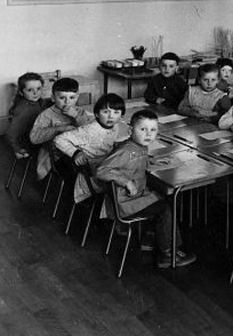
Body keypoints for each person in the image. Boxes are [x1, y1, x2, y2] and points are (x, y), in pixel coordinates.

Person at [96, 110, 197, 269]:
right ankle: (168, 253)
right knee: (165, 208)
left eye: (153, 130)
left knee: (163, 197)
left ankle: (150, 239)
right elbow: (101, 170)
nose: (148, 134)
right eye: (143, 129)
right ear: (130, 130)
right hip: (126, 203)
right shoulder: (127, 150)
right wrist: (126, 181)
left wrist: (152, 162)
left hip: (131, 198)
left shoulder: (137, 146)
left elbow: (134, 164)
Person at [54, 93, 126, 204]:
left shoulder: (114, 125)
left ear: (121, 117)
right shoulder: (91, 130)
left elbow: (106, 142)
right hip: (94, 176)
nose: (111, 117)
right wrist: (76, 153)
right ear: (96, 114)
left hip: (104, 165)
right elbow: (59, 139)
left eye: (116, 112)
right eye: (106, 112)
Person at [29, 77, 94, 180]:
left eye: (72, 98)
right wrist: (59, 128)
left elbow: (90, 132)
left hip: (82, 150)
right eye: (62, 98)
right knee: (82, 168)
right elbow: (34, 138)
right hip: (57, 156)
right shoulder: (46, 115)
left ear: (77, 97)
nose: (67, 102)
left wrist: (77, 117)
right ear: (53, 98)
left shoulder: (79, 112)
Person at [6, 72, 50, 159]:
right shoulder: (23, 110)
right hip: (29, 143)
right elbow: (10, 133)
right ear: (22, 92)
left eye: (38, 88)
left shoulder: (36, 101)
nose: (35, 92)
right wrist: (18, 149)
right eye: (30, 90)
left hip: (35, 133)